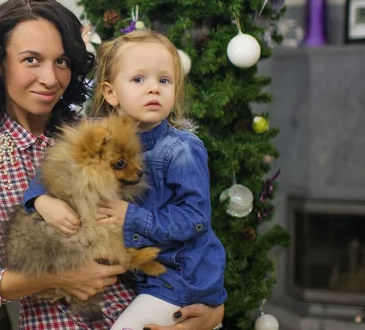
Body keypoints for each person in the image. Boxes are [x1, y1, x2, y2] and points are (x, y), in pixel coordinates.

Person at [0, 0, 224, 330]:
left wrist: (210, 312)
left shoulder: (104, 132)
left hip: (143, 313)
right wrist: (51, 277)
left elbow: (182, 222)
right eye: (31, 60)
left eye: (62, 61)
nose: (51, 79)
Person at [24, 30, 227, 330]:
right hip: (141, 276)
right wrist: (42, 200)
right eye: (139, 79)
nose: (154, 89)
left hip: (179, 277)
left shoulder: (182, 148)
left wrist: (131, 217)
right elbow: (56, 169)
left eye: (164, 80)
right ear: (110, 93)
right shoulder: (97, 132)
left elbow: (196, 218)